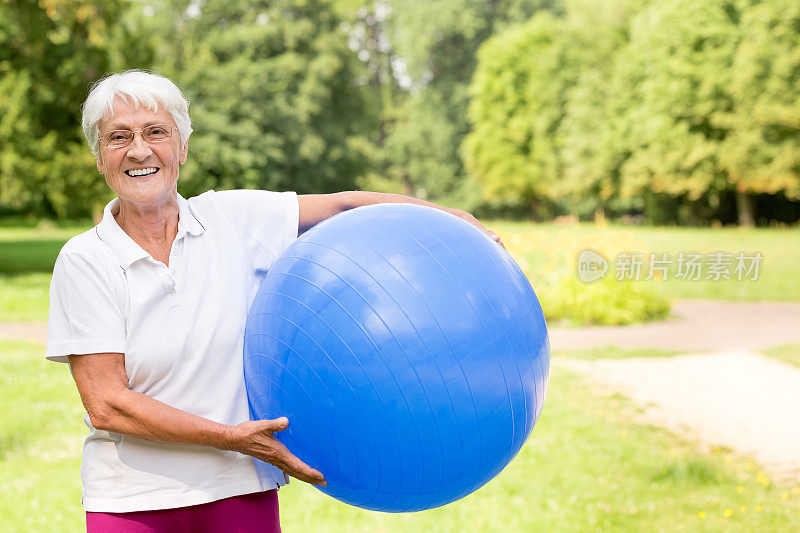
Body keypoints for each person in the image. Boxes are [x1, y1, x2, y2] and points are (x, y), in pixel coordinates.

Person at [45, 69, 503, 533]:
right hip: (133, 502)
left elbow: (342, 208)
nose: (139, 150)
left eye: (156, 132)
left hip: (240, 489)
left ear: (181, 147)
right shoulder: (86, 259)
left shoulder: (231, 218)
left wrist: (450, 219)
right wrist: (230, 438)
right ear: (100, 158)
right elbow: (107, 403)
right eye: (118, 137)